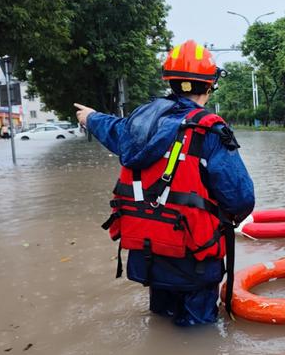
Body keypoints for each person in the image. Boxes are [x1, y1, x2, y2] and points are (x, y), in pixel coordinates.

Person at [74, 40, 255, 327]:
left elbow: (111, 128)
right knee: (199, 336)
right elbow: (241, 198)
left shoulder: (138, 124)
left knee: (161, 320)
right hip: (194, 254)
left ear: (169, 82)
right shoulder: (210, 130)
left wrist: (90, 117)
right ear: (210, 85)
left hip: (150, 252)